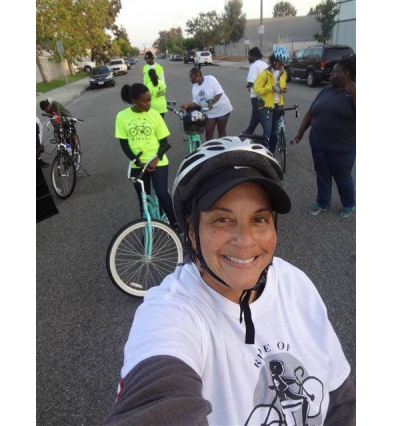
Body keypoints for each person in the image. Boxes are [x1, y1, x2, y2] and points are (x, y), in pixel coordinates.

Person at [102, 137, 356, 425]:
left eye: (259, 219)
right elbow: (155, 398)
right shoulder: (170, 313)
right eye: (222, 220)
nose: (245, 241)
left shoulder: (295, 283)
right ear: (193, 233)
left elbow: (342, 398)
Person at [293, 56, 356, 219]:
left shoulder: (353, 92)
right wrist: (301, 131)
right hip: (318, 143)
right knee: (322, 175)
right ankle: (323, 203)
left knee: (342, 177)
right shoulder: (325, 90)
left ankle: (349, 204)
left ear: (347, 73)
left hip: (342, 147)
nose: (330, 75)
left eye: (335, 72)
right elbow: (311, 112)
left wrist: (353, 89)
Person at [114, 83, 179, 231]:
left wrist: (155, 160)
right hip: (138, 165)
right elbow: (124, 145)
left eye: (149, 100)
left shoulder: (155, 114)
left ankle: (175, 224)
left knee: (162, 193)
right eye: (145, 101)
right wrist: (139, 162)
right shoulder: (122, 116)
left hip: (158, 162)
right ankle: (147, 231)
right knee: (143, 201)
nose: (149, 103)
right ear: (134, 100)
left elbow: (164, 143)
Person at [181, 66, 233, 141]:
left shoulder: (210, 79)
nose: (190, 79)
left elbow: (219, 93)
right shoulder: (194, 87)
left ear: (198, 75)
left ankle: (224, 151)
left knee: (221, 131)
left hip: (222, 108)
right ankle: (210, 151)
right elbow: (197, 103)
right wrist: (188, 105)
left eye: (192, 77)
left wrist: (212, 103)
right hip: (209, 112)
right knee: (208, 133)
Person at [253, 46, 290, 153]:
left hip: (279, 105)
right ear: (274, 61)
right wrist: (271, 88)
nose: (282, 66)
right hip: (266, 107)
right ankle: (264, 153)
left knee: (275, 133)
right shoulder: (265, 73)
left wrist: (283, 90)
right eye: (280, 63)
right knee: (267, 133)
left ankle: (271, 153)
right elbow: (256, 90)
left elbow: (282, 86)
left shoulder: (283, 73)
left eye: (284, 64)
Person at [243, 46, 268, 135]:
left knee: (259, 115)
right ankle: (249, 131)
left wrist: (248, 87)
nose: (248, 58)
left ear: (253, 56)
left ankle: (268, 133)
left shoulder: (254, 65)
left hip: (257, 96)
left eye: (249, 56)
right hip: (266, 95)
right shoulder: (265, 64)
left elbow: (251, 82)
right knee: (255, 115)